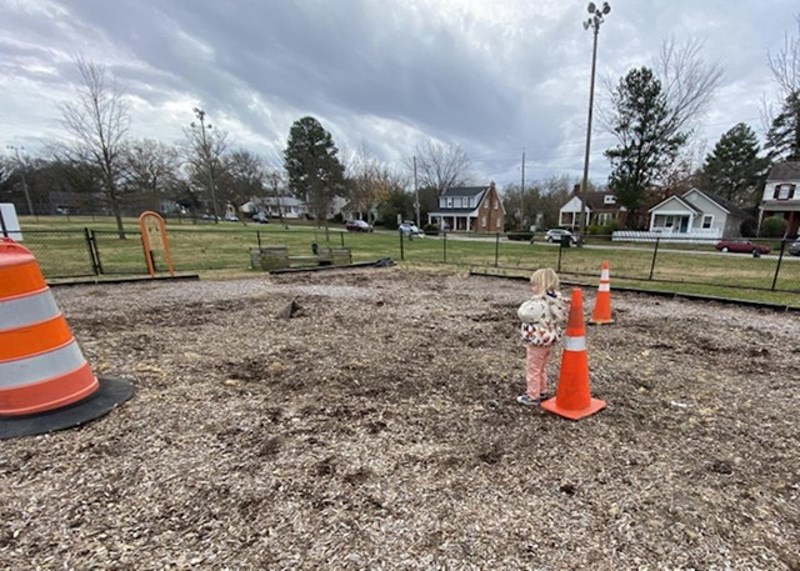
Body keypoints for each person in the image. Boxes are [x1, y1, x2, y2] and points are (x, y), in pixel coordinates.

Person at [516, 268, 567, 406]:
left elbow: (523, 313)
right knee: (541, 367)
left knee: (533, 368)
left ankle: (532, 395)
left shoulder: (538, 304)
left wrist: (528, 302)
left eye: (534, 285)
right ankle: (542, 390)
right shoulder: (555, 301)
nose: (532, 288)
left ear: (542, 285)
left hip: (537, 341)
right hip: (549, 340)